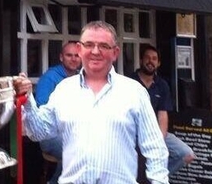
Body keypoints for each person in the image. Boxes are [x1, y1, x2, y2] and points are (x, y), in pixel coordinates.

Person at [13, 20, 169, 184]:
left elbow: (155, 147)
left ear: (115, 53)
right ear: (80, 50)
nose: (95, 51)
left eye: (103, 46)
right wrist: (28, 99)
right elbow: (39, 131)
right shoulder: (64, 90)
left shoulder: (134, 92)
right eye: (89, 44)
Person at [130, 45, 195, 176]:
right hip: (133, 132)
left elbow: (163, 115)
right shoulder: (129, 82)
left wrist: (159, 141)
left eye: (154, 59)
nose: (150, 61)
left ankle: (155, 177)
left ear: (158, 63)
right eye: (147, 58)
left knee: (187, 154)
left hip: (155, 133)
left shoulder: (162, 85)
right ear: (141, 60)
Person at [34, 41, 81, 184]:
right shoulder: (50, 77)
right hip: (51, 134)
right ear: (61, 57)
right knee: (77, 151)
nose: (73, 59)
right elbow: (42, 107)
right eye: (69, 55)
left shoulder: (81, 78)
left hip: (75, 132)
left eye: (77, 55)